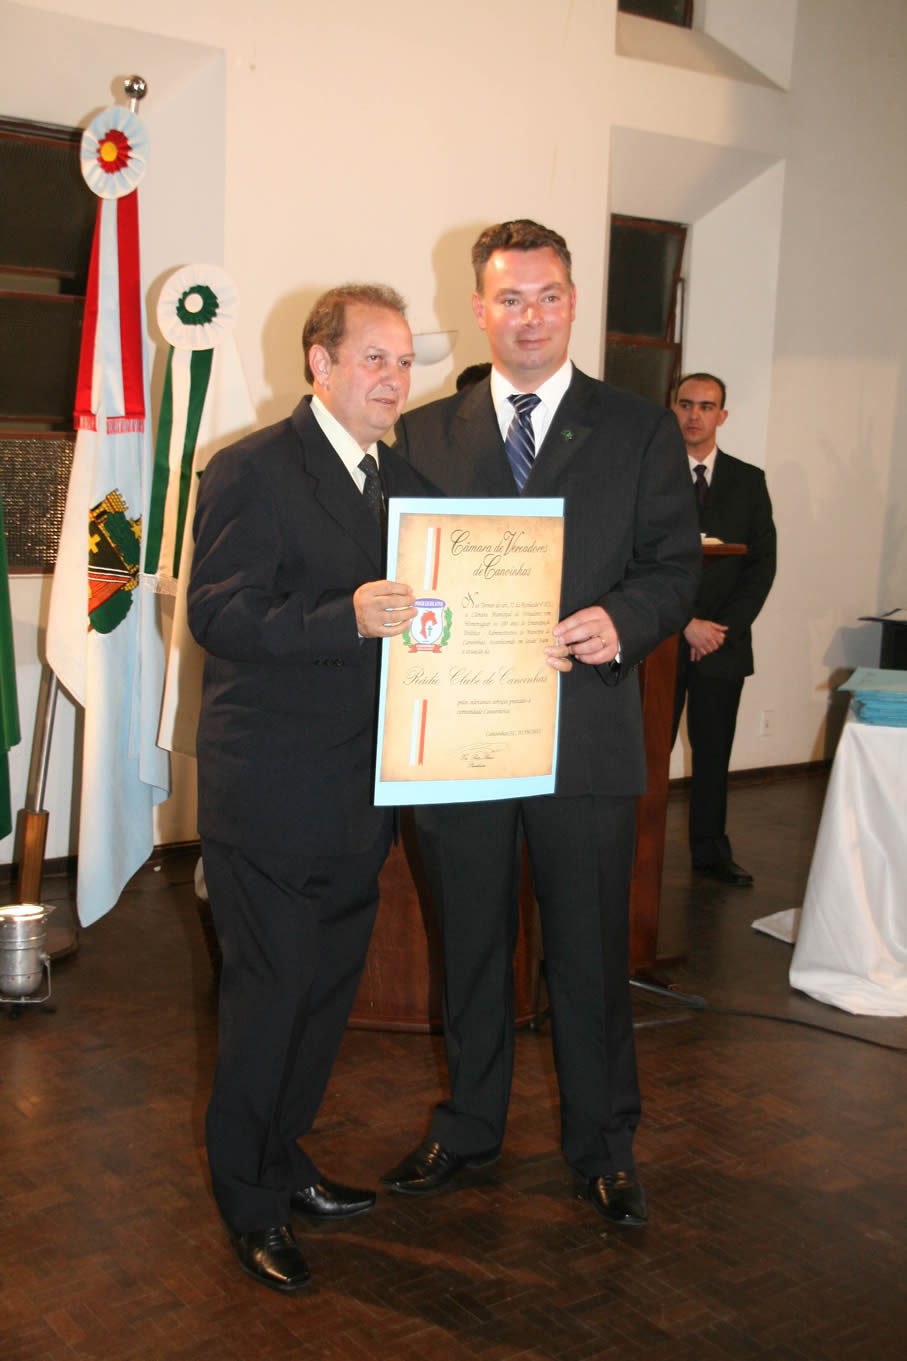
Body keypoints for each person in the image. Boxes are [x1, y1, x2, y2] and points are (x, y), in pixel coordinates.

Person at [382, 220, 700, 1226]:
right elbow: (395, 567)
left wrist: (626, 620)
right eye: (510, 298)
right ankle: (467, 1125)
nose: (531, 316)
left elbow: (671, 568)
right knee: (469, 945)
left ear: (572, 301)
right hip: (461, 735)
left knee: (589, 954)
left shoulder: (638, 429)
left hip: (585, 731)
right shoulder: (423, 433)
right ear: (478, 308)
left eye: (549, 295)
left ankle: (603, 1144)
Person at [187, 284, 432, 1293]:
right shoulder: (249, 466)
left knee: (324, 997)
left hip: (363, 786)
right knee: (268, 999)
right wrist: (345, 616)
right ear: (319, 364)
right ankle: (248, 1201)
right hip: (273, 787)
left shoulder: (404, 479)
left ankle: (284, 1158)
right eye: (373, 358)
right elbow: (217, 611)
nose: (393, 378)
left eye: (404, 361)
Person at [670, 373, 777, 886]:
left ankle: (712, 854)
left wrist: (718, 630)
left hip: (721, 644)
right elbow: (631, 559)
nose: (695, 415)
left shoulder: (748, 481)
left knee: (713, 754)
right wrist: (683, 624)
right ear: (673, 409)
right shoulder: (649, 474)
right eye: (686, 404)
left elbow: (761, 566)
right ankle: (632, 850)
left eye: (706, 406)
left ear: (722, 416)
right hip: (660, 643)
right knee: (645, 757)